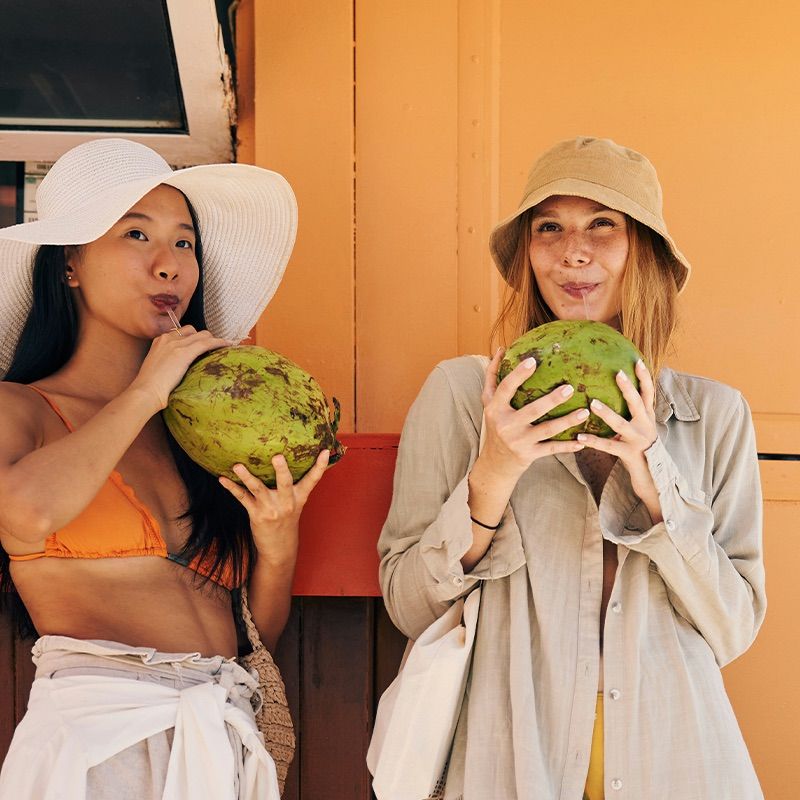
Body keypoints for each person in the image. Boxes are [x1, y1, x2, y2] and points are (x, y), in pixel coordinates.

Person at [378, 137, 765, 799]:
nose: (572, 251)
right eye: (547, 228)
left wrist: (650, 470)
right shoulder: (462, 397)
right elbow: (410, 604)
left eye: (602, 226)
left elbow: (731, 628)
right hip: (511, 764)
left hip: (679, 761)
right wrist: (495, 470)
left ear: (642, 249)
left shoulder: (716, 415)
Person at [0, 138, 330, 799]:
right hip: (103, 737)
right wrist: (145, 390)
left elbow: (253, 634)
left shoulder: (197, 439)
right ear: (70, 266)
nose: (169, 264)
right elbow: (25, 513)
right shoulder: (22, 407)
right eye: (137, 234)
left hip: (220, 730)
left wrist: (276, 539)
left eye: (185, 243)